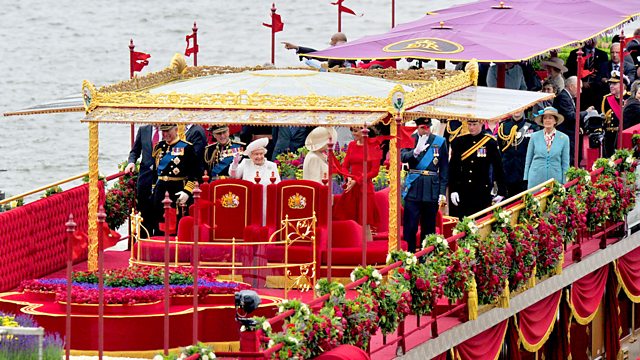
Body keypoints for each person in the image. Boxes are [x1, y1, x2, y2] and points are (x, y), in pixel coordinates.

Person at [400, 118, 449, 253]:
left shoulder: (440, 141)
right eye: (423, 127)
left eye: (428, 127)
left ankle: (426, 257)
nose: (425, 130)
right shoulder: (410, 138)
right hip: (414, 187)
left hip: (431, 188)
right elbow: (402, 156)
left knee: (428, 227)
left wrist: (442, 192)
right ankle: (409, 256)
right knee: (410, 226)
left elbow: (444, 168)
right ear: (417, 127)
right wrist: (414, 152)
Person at [449, 120, 505, 218]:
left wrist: (501, 191)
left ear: (481, 124)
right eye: (469, 124)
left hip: (481, 189)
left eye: (474, 124)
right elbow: (454, 167)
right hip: (463, 188)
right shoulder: (459, 141)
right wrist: (453, 189)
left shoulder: (489, 142)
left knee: (479, 223)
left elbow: (498, 167)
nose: (471, 127)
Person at [149, 124, 199, 235]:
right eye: (163, 132)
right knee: (158, 222)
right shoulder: (159, 147)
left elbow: (194, 174)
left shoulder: (187, 147)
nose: (165, 134)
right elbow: (155, 171)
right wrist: (154, 188)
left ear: (176, 130)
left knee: (175, 225)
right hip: (160, 190)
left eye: (168, 131)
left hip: (177, 190)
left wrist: (187, 191)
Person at [333, 127, 382, 228]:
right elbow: (345, 167)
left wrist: (357, 180)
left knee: (365, 224)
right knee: (350, 222)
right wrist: (348, 178)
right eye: (352, 131)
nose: (353, 133)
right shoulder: (351, 145)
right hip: (351, 187)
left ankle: (368, 244)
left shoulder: (374, 146)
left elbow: (374, 171)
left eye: (356, 131)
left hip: (365, 188)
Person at [524, 107, 570, 188]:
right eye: (545, 118)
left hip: (555, 179)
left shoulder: (564, 138)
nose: (547, 120)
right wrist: (526, 177)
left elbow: (565, 163)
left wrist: (565, 181)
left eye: (550, 118)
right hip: (535, 178)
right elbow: (528, 158)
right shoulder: (534, 136)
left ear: (555, 121)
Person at [497, 111, 540, 197]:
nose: (517, 111)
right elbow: (501, 151)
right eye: (515, 108)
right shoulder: (504, 127)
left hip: (525, 173)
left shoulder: (532, 127)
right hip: (508, 172)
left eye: (520, 108)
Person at [125, 125, 158, 230]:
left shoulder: (169, 129)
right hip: (145, 176)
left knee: (159, 210)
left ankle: (158, 238)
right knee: (144, 211)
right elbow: (135, 151)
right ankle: (144, 241)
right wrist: (131, 162)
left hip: (162, 177)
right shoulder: (143, 129)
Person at [554, 76, 592, 166]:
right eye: (580, 88)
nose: (581, 91)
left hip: (571, 133)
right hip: (566, 134)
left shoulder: (567, 96)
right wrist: (586, 112)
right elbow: (571, 116)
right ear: (571, 86)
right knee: (569, 160)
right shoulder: (563, 97)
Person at [565, 39, 609, 110]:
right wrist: (581, 82)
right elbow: (568, 72)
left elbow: (604, 72)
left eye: (595, 39)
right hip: (581, 92)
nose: (593, 42)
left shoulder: (602, 55)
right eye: (591, 39)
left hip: (597, 91)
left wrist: (598, 79)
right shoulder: (575, 54)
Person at [282, 32, 354, 68]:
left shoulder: (336, 49)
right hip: (343, 68)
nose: (330, 43)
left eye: (332, 41)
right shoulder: (353, 49)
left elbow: (319, 56)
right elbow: (319, 54)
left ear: (336, 41)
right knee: (310, 61)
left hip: (334, 70)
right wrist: (297, 48)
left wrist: (296, 47)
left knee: (308, 62)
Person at [601, 72, 630, 157]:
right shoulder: (607, 99)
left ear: (623, 85)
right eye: (610, 83)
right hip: (609, 137)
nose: (611, 86)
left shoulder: (629, 98)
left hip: (623, 136)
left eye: (614, 83)